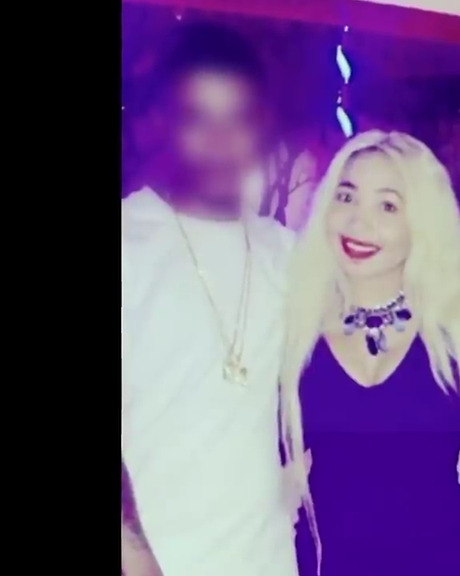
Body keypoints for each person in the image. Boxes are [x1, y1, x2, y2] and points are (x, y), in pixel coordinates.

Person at [279, 130, 460, 576]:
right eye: (346, 197)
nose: (358, 222)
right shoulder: (295, 332)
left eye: (387, 206)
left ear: (423, 224)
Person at [121, 22, 298, 576]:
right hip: (156, 561)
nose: (221, 143)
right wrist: (133, 553)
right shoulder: (129, 240)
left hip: (268, 561)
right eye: (198, 118)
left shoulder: (284, 251)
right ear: (163, 123)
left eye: (237, 119)